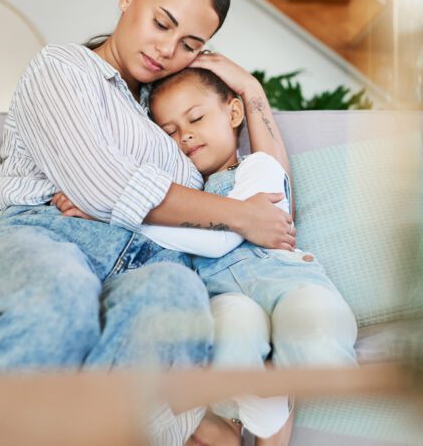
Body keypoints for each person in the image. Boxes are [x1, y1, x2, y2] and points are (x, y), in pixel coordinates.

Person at [0, 0, 295, 444]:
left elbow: (273, 206)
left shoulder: (172, 116)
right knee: (62, 292)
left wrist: (250, 87)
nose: (167, 48)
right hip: (38, 240)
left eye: (190, 43)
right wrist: (235, 215)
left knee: (177, 298)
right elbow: (103, 184)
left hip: (145, 268)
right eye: (161, 23)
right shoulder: (63, 68)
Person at [55, 67, 359, 444]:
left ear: (233, 115)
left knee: (312, 323)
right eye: (169, 132)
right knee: (231, 332)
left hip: (285, 280)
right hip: (223, 295)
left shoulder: (258, 167)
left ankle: (294, 376)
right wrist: (99, 205)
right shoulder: (178, 193)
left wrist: (122, 212)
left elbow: (221, 239)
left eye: (196, 118)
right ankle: (263, 398)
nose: (185, 135)